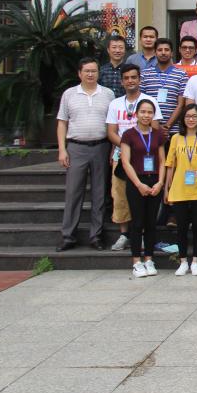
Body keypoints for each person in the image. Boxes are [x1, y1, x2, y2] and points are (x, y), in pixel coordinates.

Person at [55, 58, 114, 252]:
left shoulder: (108, 94)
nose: (90, 74)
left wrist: (113, 148)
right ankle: (68, 236)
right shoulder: (69, 94)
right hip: (76, 147)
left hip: (101, 146)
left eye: (94, 71)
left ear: (98, 73)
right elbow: (62, 122)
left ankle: (96, 236)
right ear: (79, 73)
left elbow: (112, 124)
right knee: (73, 193)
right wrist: (62, 149)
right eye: (87, 71)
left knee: (99, 193)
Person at [105, 64, 161, 253]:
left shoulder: (149, 101)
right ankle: (124, 234)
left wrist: (137, 148)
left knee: (144, 196)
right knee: (120, 195)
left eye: (134, 77)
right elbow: (111, 132)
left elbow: (155, 129)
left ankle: (143, 234)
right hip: (121, 156)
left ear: (139, 79)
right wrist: (128, 146)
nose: (130, 81)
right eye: (127, 78)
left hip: (146, 158)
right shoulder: (115, 104)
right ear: (122, 81)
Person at [119, 99, 166, 278]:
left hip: (154, 181)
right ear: (136, 113)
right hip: (136, 181)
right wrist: (138, 184)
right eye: (143, 112)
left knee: (151, 222)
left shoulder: (158, 134)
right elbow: (125, 162)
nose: (146, 115)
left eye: (150, 112)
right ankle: (136, 261)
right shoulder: (128, 135)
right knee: (137, 222)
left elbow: (162, 161)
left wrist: (160, 183)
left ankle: (149, 259)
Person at [163, 104, 197, 276]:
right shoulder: (176, 138)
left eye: (194, 116)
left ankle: (196, 261)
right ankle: (183, 261)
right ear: (183, 119)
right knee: (181, 227)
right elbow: (170, 165)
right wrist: (166, 189)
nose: (191, 119)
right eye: (188, 116)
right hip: (179, 189)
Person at [141, 38, 188, 136]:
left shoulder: (182, 75)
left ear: (172, 53)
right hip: (149, 129)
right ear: (155, 53)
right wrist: (156, 126)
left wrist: (167, 126)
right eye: (160, 50)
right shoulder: (145, 74)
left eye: (166, 50)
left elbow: (181, 105)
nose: (163, 53)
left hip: (174, 130)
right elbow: (141, 103)